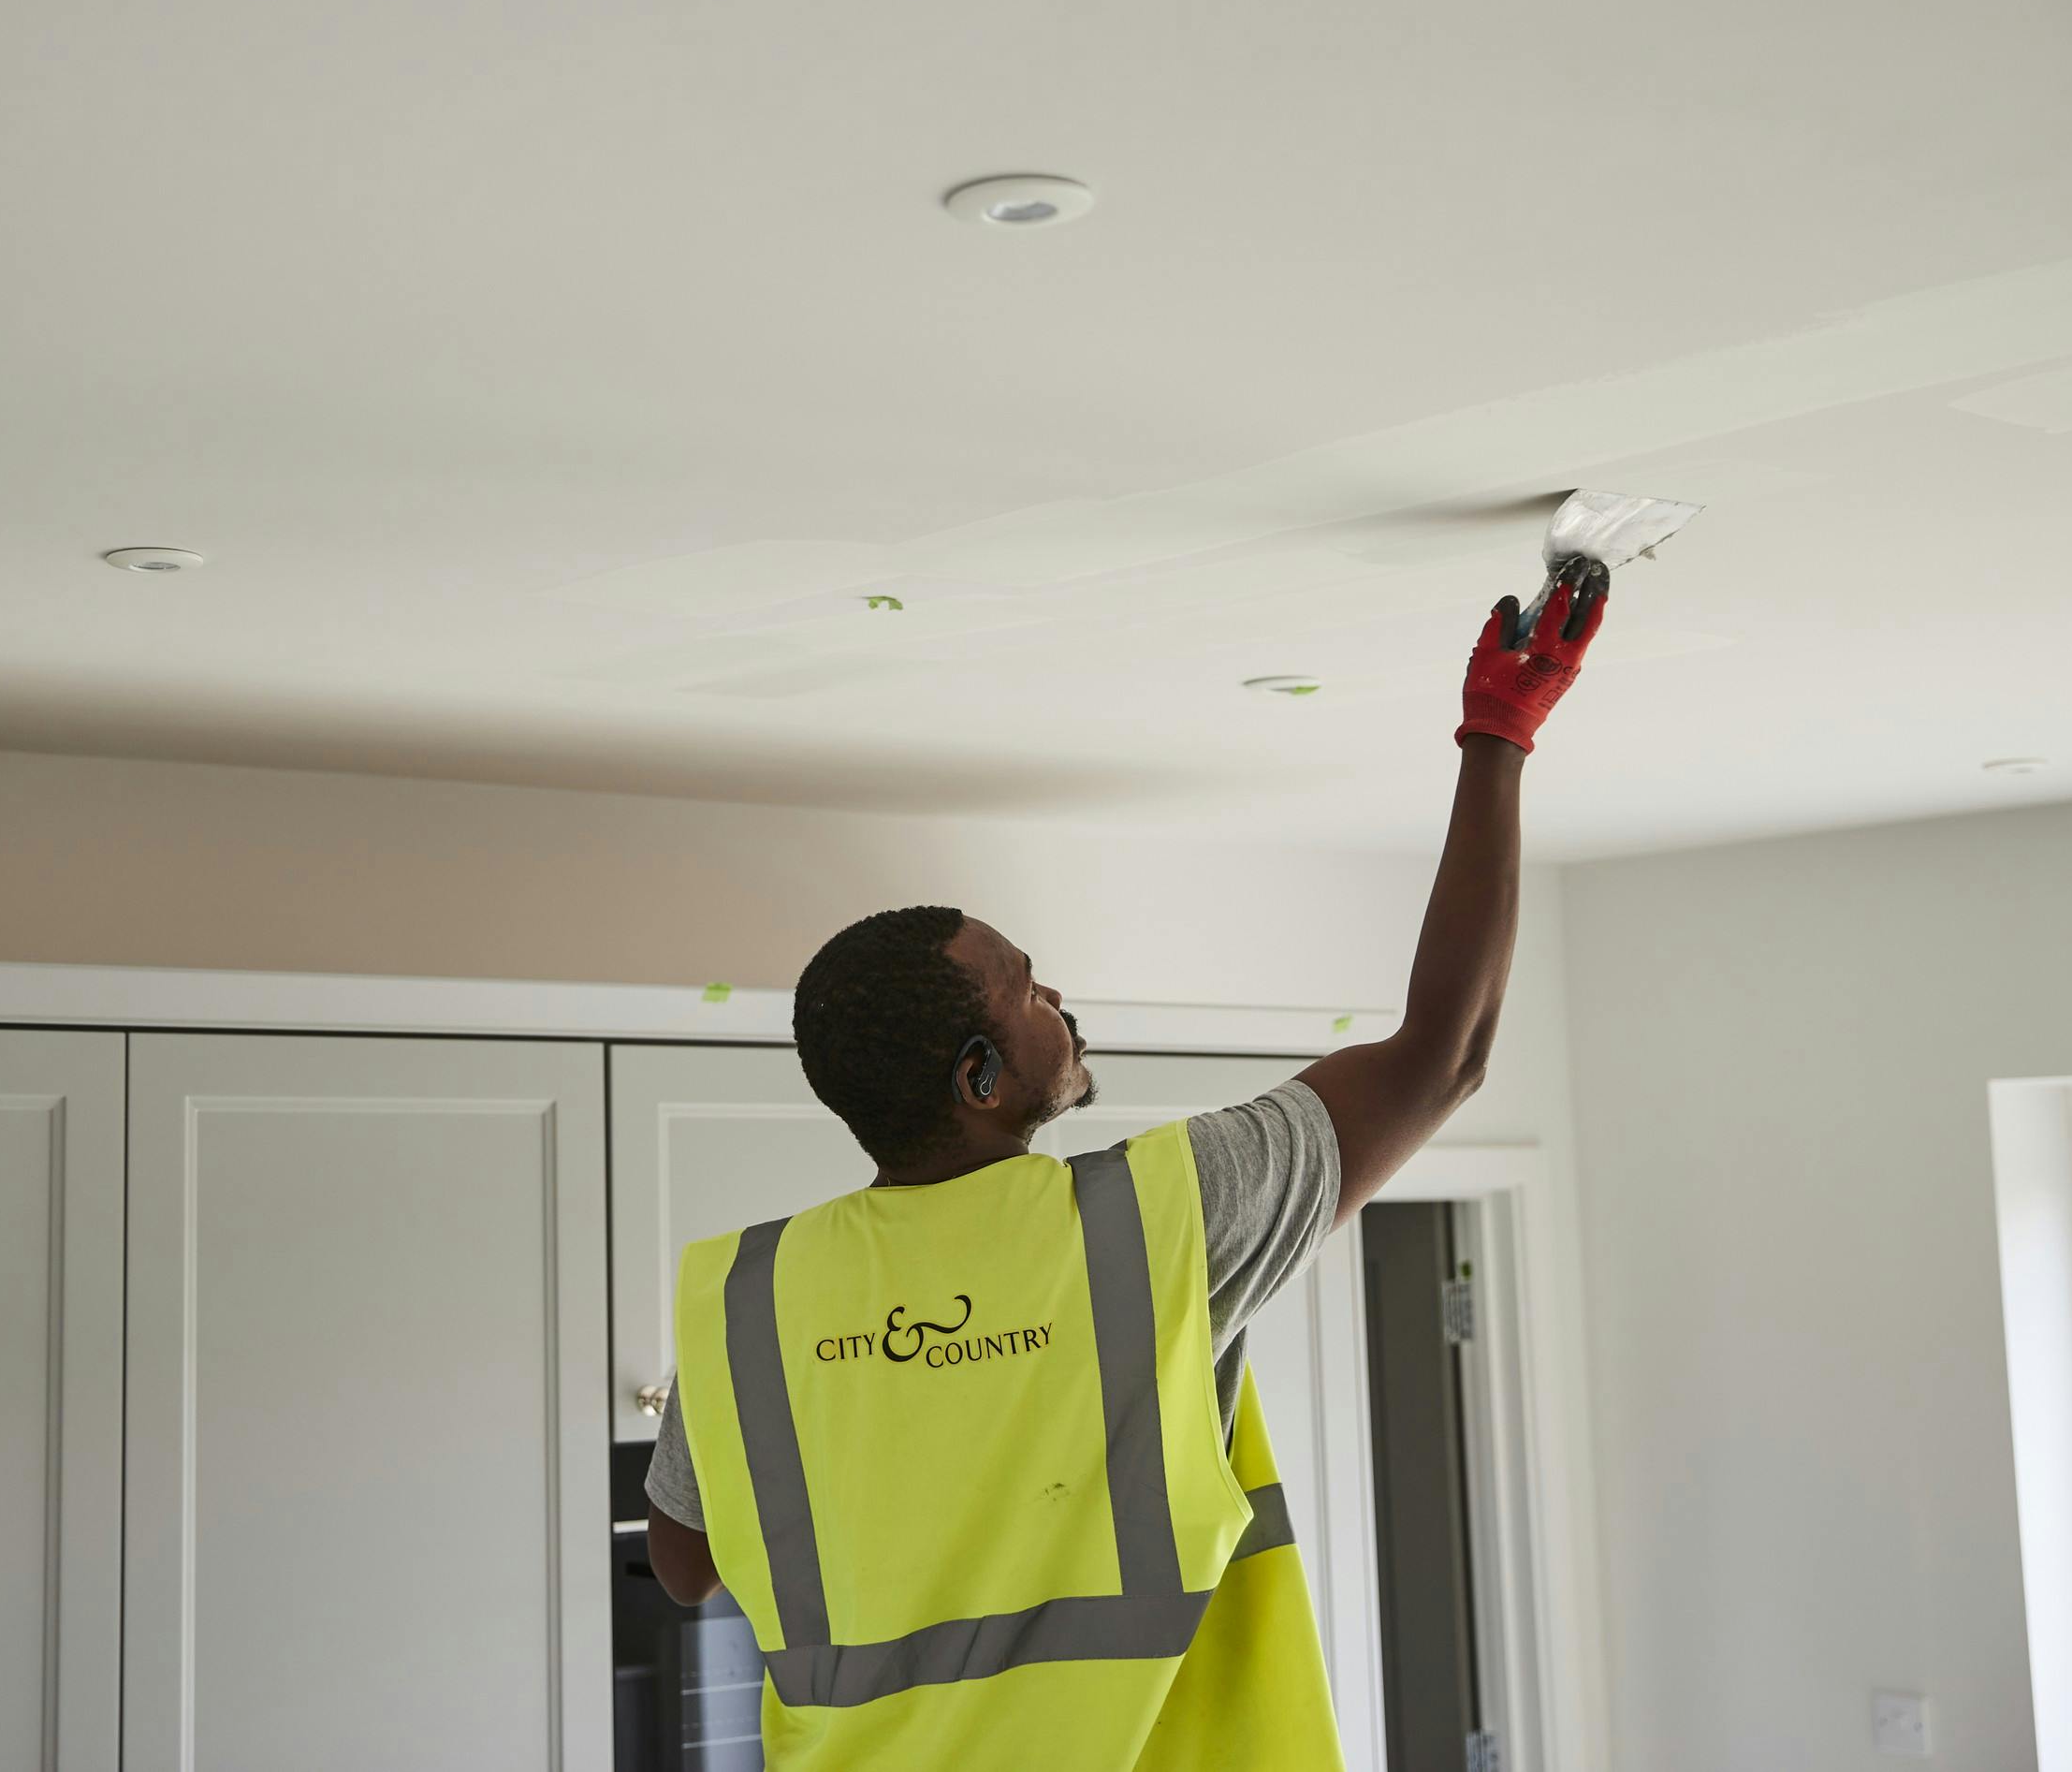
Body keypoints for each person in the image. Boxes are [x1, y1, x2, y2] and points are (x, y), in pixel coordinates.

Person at [641, 575, 1608, 1768]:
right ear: (980, 1079)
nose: (1058, 1004)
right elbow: (1441, 1061)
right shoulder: (1154, 1218)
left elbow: (686, 1569)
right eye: (1029, 992)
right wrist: (1498, 737)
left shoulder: (749, 1302)